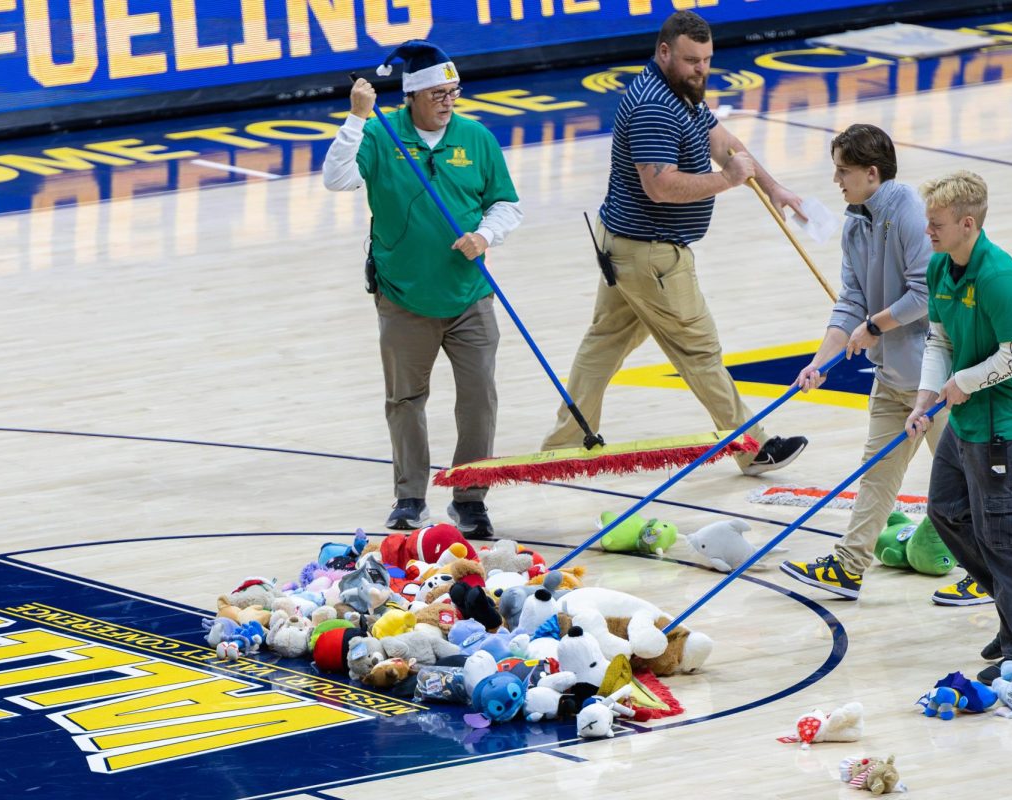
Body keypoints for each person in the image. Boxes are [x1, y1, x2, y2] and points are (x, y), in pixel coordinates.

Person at [540, 10, 807, 475]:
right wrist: (726, 181)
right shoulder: (654, 107)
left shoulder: (679, 91)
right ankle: (753, 447)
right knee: (698, 351)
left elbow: (725, 142)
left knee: (604, 344)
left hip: (624, 245)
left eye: (706, 59)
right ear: (664, 52)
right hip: (651, 254)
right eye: (691, 60)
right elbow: (659, 187)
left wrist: (772, 186)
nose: (701, 68)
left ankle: (565, 444)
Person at [323, 40, 522, 538]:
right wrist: (356, 119)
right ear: (411, 96)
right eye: (436, 93)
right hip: (403, 298)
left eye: (452, 91)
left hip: (469, 296)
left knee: (479, 398)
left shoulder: (475, 137)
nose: (447, 101)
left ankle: (470, 499)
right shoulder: (379, 134)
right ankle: (409, 497)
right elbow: (337, 179)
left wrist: (485, 235)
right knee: (405, 399)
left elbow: (507, 204)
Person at [781, 123, 951, 600]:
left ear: (871, 173)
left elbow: (927, 293)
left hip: (936, 382)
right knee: (875, 477)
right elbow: (849, 302)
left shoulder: (913, 214)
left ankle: (994, 577)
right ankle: (849, 567)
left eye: (843, 171)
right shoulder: (856, 223)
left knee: (966, 483)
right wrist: (819, 362)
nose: (836, 180)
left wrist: (875, 326)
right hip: (891, 377)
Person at [905, 170, 1012, 684]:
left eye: (937, 224)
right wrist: (925, 398)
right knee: (946, 511)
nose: (929, 232)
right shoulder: (940, 269)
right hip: (968, 420)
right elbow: (940, 341)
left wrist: (965, 381)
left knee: (1004, 535)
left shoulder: (1000, 278)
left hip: (1010, 425)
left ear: (968, 223)